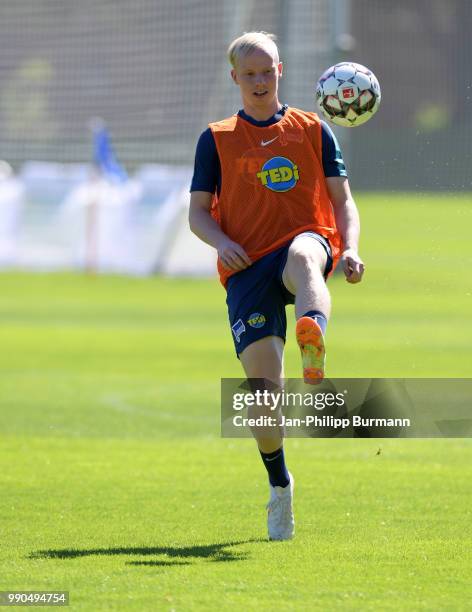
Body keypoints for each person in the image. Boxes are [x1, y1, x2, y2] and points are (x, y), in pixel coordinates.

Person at [189, 32, 364, 541]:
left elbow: (342, 201)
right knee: (264, 395)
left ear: (281, 71)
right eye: (251, 75)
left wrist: (349, 247)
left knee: (308, 255)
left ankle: (313, 329)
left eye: (268, 72)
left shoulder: (313, 129)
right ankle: (280, 485)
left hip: (301, 243)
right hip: (246, 268)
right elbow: (197, 213)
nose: (261, 82)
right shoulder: (216, 138)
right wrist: (221, 243)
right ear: (235, 79)